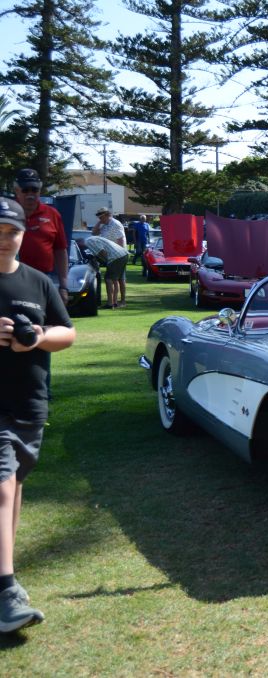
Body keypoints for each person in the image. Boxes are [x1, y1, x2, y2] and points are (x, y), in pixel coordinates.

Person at [0, 198, 76, 633]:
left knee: (15, 485)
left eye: (12, 231)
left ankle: (5, 577)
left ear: (23, 234)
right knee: (2, 485)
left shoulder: (37, 281)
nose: (5, 239)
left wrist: (38, 337)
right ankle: (6, 591)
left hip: (30, 402)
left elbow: (68, 333)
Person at [12, 169, 68, 305]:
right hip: (10, 279)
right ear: (17, 190)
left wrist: (63, 286)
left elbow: (60, 250)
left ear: (40, 190)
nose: (30, 194)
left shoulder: (52, 214)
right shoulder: (6, 212)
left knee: (43, 317)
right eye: (25, 190)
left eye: (34, 190)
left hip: (43, 279)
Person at [92, 208, 127, 307]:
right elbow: (93, 233)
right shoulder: (105, 225)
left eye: (101, 217)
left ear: (107, 215)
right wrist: (99, 222)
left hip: (117, 254)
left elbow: (121, 240)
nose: (100, 219)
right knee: (118, 278)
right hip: (112, 255)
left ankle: (116, 302)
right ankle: (116, 302)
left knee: (113, 278)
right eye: (99, 218)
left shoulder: (115, 224)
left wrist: (118, 254)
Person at [83, 236, 129, 310]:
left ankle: (111, 303)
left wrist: (107, 263)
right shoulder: (92, 239)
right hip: (123, 254)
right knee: (118, 279)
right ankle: (118, 302)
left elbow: (102, 252)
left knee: (109, 279)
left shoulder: (89, 242)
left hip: (116, 257)